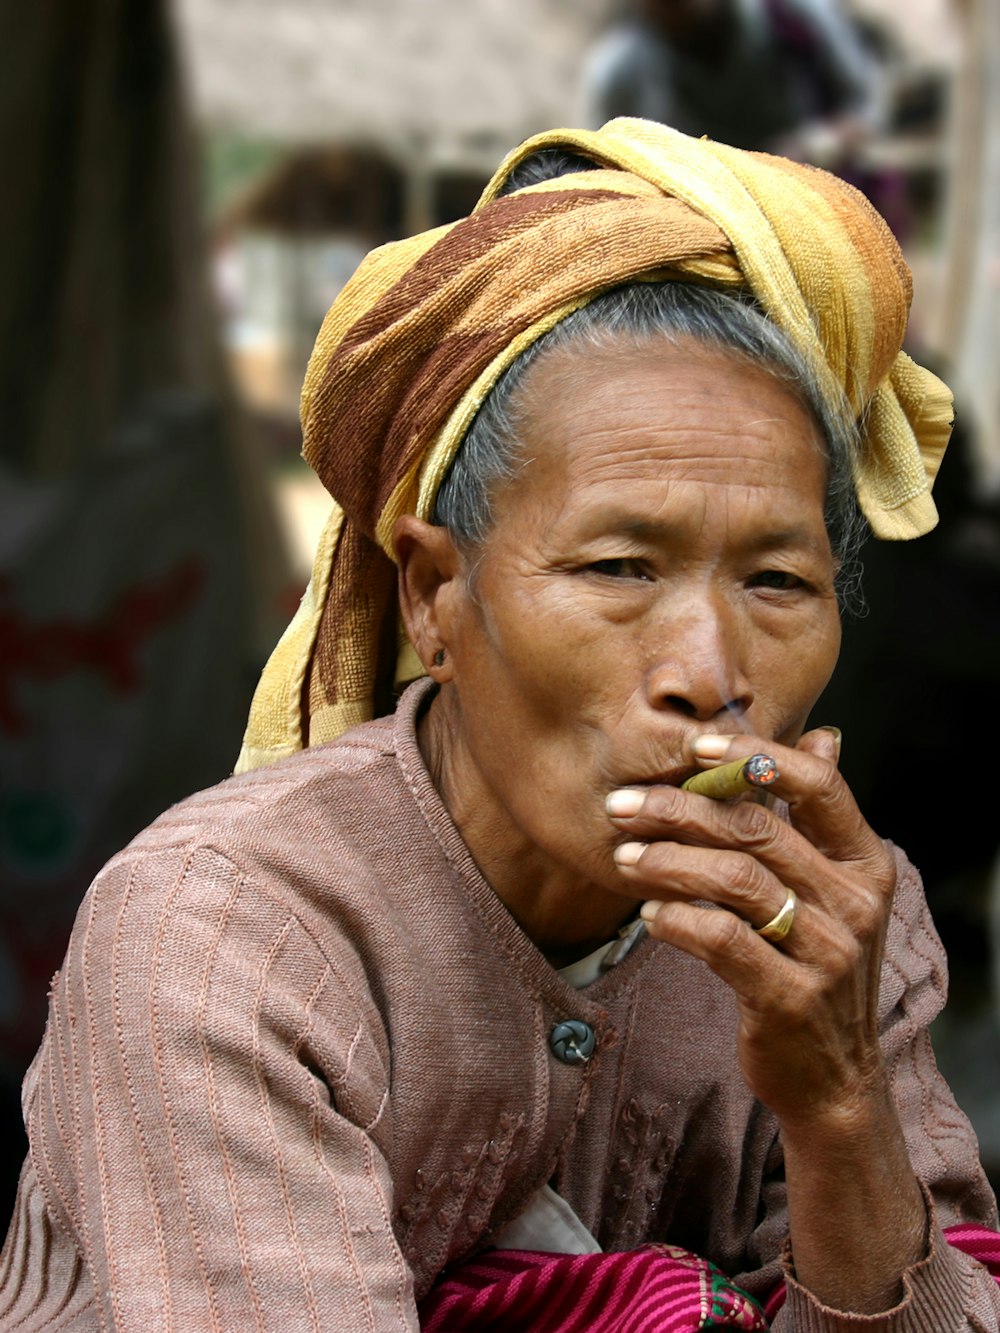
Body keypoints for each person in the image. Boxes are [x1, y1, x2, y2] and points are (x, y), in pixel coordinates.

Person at [2, 117, 999, 1330]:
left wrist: (839, 1103)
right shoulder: (226, 940)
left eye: (776, 584)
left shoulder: (841, 932)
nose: (707, 673)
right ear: (433, 593)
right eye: (620, 566)